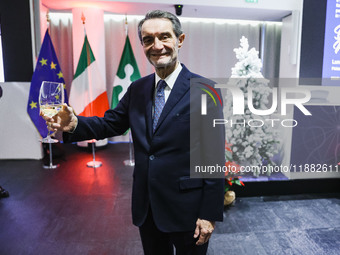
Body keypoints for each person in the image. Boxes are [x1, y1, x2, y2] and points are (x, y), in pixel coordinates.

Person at [43, 10, 225, 255]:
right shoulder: (137, 89)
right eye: (148, 39)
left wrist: (208, 214)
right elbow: (110, 124)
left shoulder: (204, 90)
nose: (157, 45)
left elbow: (212, 157)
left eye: (164, 37)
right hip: (147, 208)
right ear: (142, 45)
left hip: (188, 211)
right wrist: (73, 124)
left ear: (180, 40)